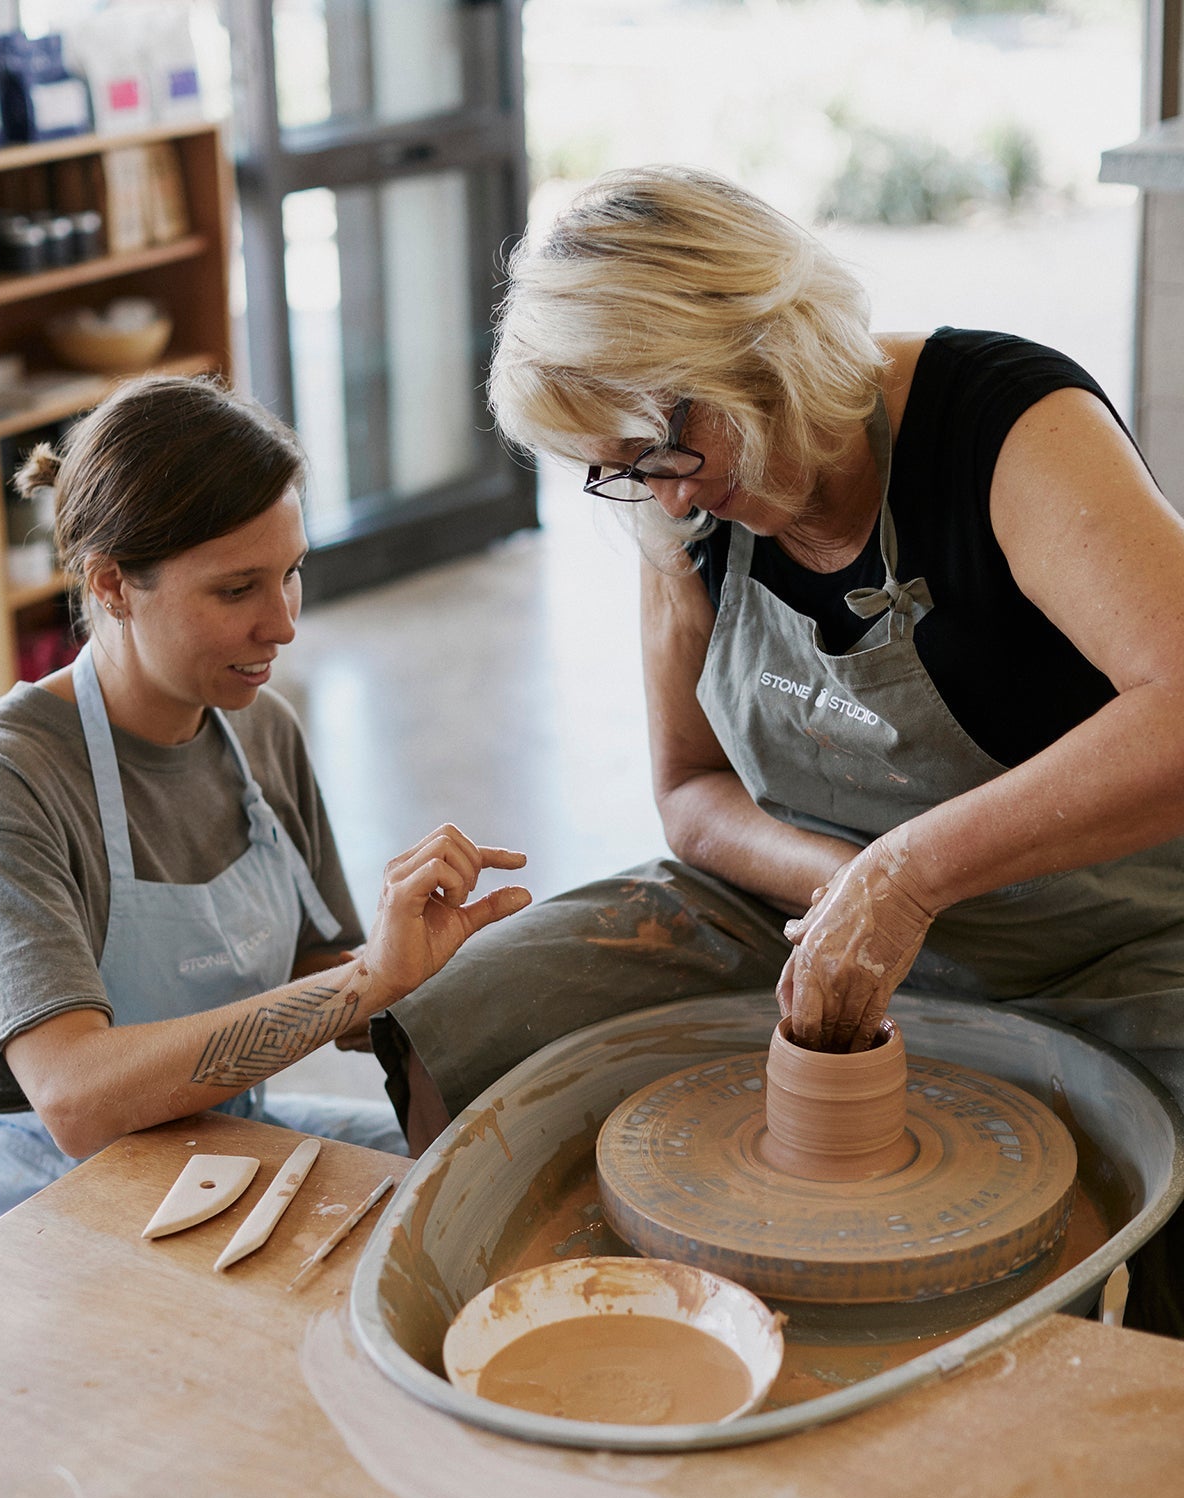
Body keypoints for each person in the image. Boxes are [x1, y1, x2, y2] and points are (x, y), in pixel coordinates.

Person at [369, 166, 1184, 1336]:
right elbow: (688, 793)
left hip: (1099, 934)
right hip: (802, 902)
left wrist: (905, 877)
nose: (661, 492)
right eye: (622, 470)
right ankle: (480, 1334)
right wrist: (845, 891)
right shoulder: (675, 502)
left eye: (664, 444)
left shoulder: (1001, 422)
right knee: (477, 1008)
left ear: (758, 340)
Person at [0, 374, 530, 1276]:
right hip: (31, 1206)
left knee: (480, 1175)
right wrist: (363, 984)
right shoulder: (6, 773)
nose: (281, 624)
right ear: (112, 585)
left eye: (291, 574)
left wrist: (441, 971)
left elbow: (328, 976)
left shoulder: (260, 727)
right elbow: (74, 1099)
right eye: (237, 589)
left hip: (207, 1145)